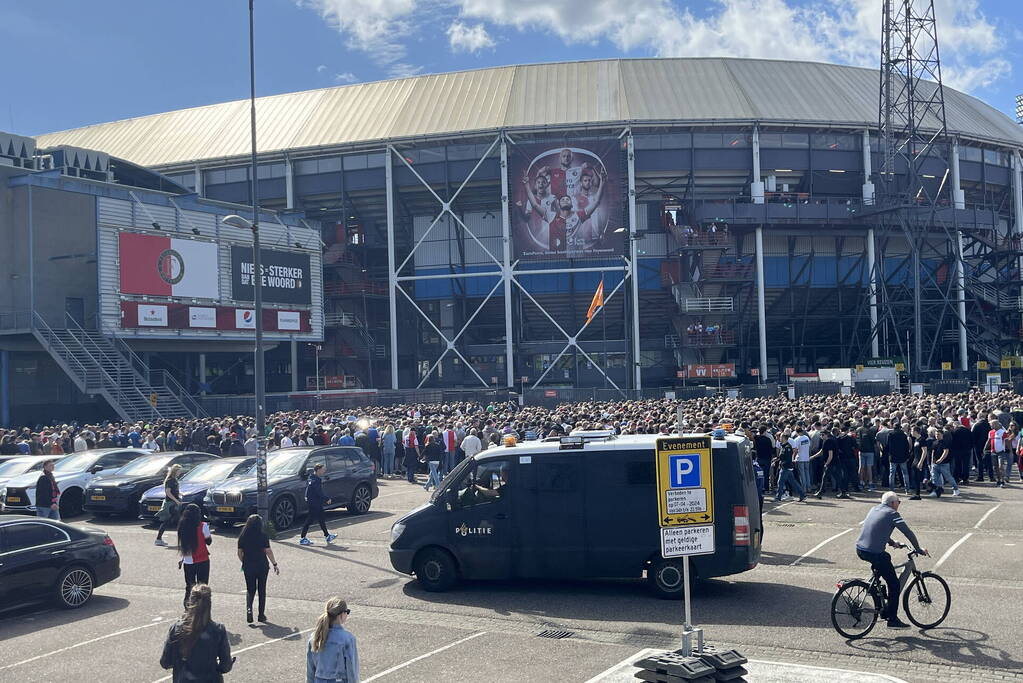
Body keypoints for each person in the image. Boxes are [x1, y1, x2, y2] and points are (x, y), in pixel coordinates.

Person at [854, 491, 928, 629]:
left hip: (860, 549)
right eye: (898, 502)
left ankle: (875, 590)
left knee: (886, 558)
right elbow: (907, 532)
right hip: (874, 553)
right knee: (894, 585)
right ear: (893, 503)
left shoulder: (874, 509)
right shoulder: (892, 514)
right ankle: (892, 620)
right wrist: (918, 549)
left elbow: (877, 529)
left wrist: (892, 542)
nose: (899, 504)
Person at [160, 584, 234, 682]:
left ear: (189, 603)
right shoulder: (218, 630)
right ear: (209, 604)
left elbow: (165, 662)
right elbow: (225, 666)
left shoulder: (176, 629)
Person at [237, 514, 279, 623]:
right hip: (262, 565)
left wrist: (244, 562)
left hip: (248, 566)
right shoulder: (263, 536)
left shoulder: (243, 536)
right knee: (262, 589)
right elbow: (268, 551)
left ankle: (249, 610)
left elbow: (239, 552)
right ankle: (261, 615)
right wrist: (274, 564)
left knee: (250, 589)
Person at [307, 596, 359, 683]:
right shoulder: (348, 639)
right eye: (347, 612)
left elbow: (310, 671)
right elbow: (352, 671)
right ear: (341, 615)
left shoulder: (315, 637)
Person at [177, 503, 213, 608]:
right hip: (202, 559)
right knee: (203, 586)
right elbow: (209, 541)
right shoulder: (203, 526)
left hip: (188, 560)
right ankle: (202, 608)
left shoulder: (182, 526)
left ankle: (188, 607)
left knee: (189, 586)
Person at [300, 463, 337, 546]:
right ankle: (302, 538)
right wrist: (327, 498)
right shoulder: (316, 480)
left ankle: (327, 536)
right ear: (318, 470)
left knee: (321, 519)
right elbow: (318, 492)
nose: (324, 471)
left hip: (314, 501)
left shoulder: (311, 478)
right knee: (310, 519)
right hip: (314, 502)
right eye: (323, 469)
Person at [155, 464, 184, 546]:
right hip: (171, 504)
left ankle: (158, 539)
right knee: (178, 521)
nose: (180, 472)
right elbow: (168, 492)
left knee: (169, 521)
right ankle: (183, 540)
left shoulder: (175, 480)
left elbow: (174, 491)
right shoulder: (170, 480)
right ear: (175, 471)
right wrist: (176, 500)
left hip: (173, 503)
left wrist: (180, 494)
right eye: (179, 471)